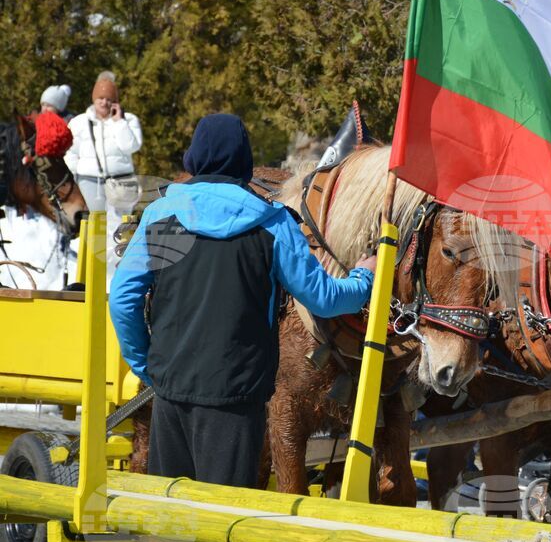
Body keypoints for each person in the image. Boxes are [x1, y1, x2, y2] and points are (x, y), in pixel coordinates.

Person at [109, 114, 377, 488]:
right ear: (245, 161)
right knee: (225, 522)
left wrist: (145, 365)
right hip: (237, 397)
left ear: (193, 158)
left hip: (172, 389)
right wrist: (366, 275)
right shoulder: (270, 223)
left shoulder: (165, 218)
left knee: (171, 521)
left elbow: (123, 299)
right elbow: (324, 298)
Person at [65, 71, 142, 215]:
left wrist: (119, 122)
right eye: (100, 98)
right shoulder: (79, 122)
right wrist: (75, 178)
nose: (104, 102)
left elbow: (130, 147)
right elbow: (70, 153)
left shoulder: (129, 120)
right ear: (94, 98)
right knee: (95, 224)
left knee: (120, 227)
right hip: (89, 182)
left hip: (122, 182)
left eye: (109, 99)